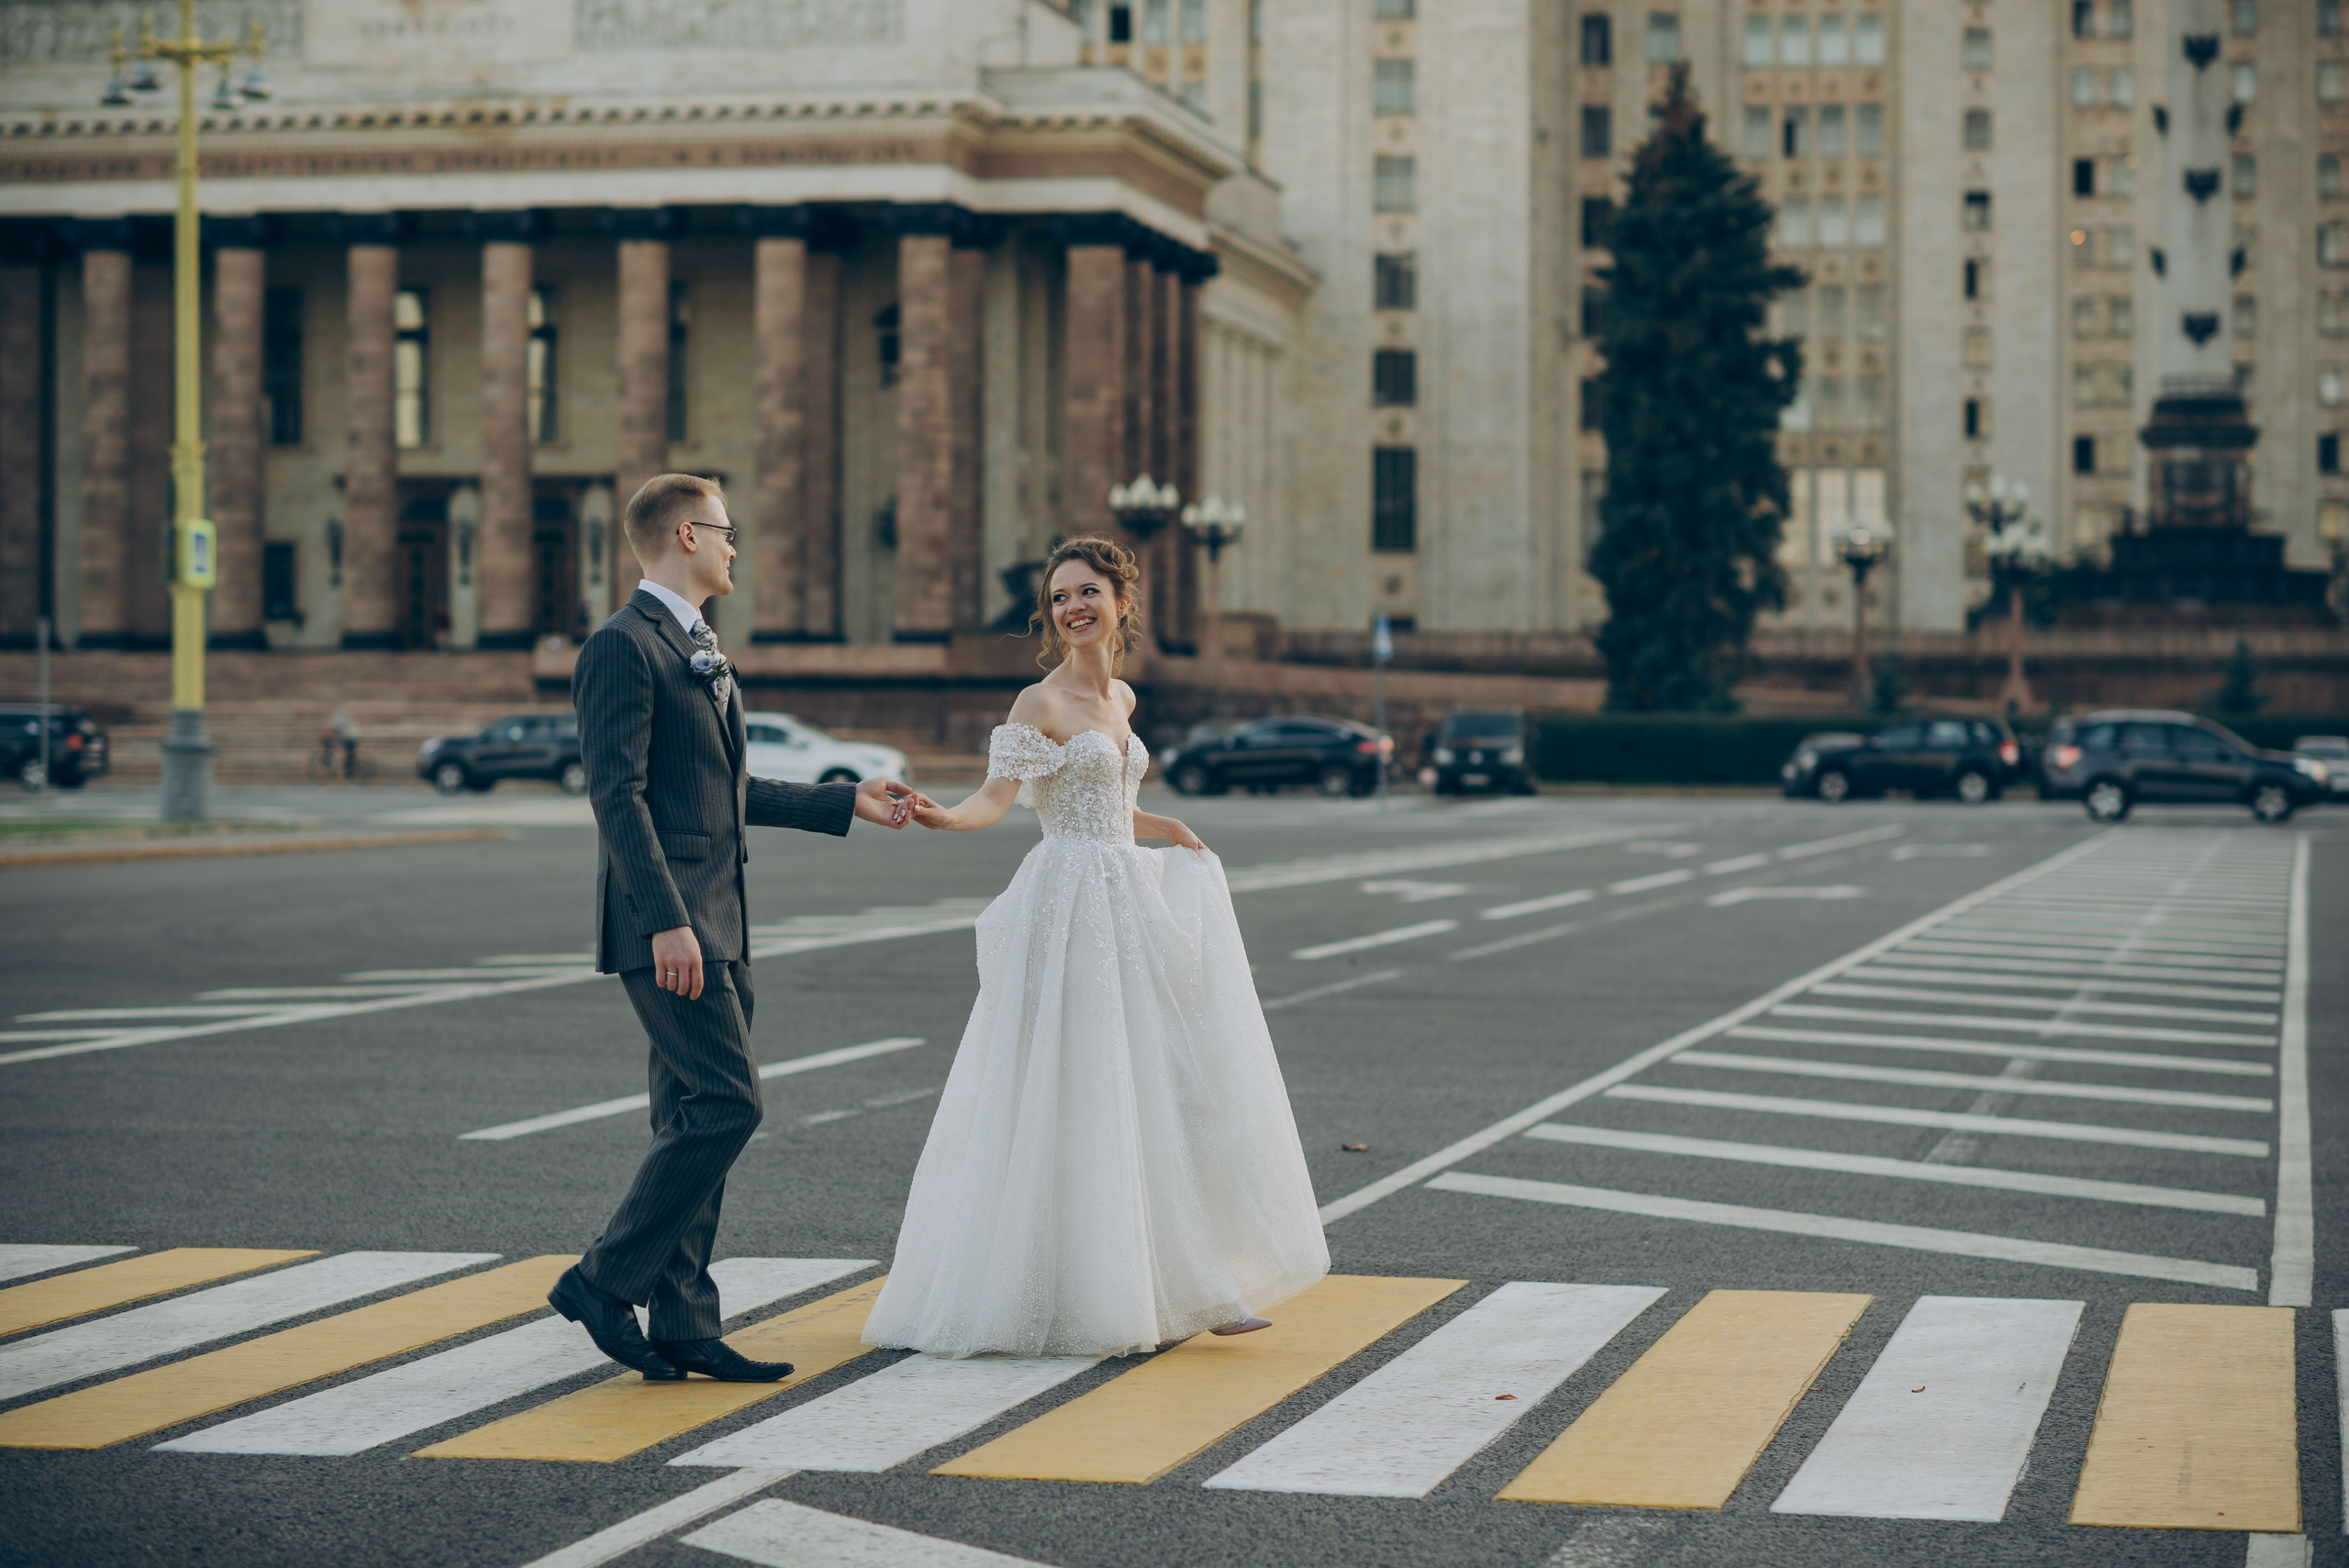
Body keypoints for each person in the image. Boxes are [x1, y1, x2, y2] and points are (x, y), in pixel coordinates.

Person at [863, 536, 1329, 1359]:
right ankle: (1062, 1283)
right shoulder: (1035, 703)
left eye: (1087, 592)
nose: (1073, 607)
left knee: (1153, 1081)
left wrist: (1165, 825)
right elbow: (998, 801)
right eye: (1059, 597)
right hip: (1068, 906)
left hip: (1126, 901)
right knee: (1072, 1085)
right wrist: (941, 816)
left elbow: (1112, 800)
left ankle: (1191, 1283)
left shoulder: (1124, 700)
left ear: (1120, 599)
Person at [548, 473, 928, 1384]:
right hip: (672, 925)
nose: (734, 546)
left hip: (719, 916)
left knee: (690, 1112)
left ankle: (682, 1319)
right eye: (725, 531)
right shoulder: (621, 646)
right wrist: (665, 923)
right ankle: (602, 1280)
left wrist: (845, 800)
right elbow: (617, 795)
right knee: (729, 1104)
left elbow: (726, 788)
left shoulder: (698, 645)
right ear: (686, 535)